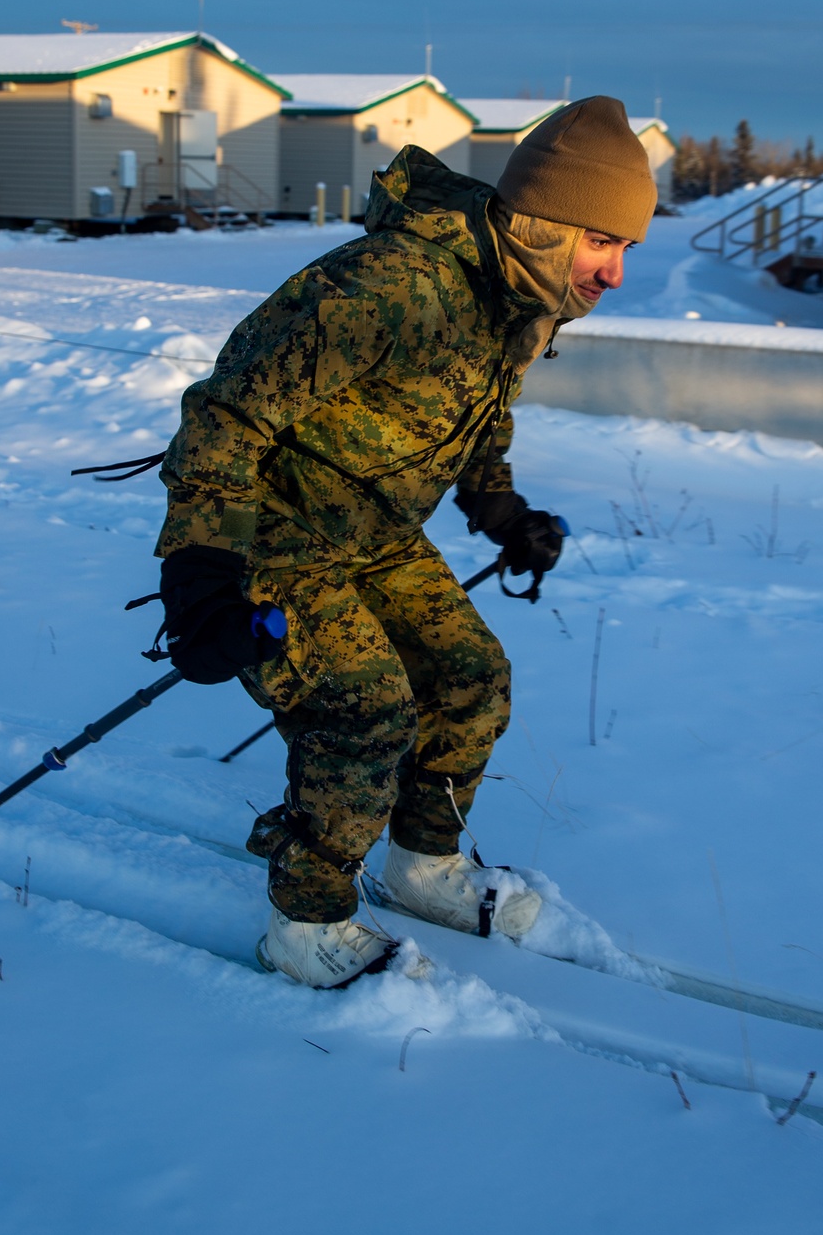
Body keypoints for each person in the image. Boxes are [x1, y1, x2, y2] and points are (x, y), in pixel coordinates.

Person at [154, 96, 656, 988]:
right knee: (367, 709)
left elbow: (478, 416)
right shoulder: (391, 286)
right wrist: (200, 572)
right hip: (274, 534)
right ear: (545, 224)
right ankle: (304, 923)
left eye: (628, 250)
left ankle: (423, 867)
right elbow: (227, 411)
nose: (615, 272)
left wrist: (501, 513)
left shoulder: (519, 299)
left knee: (471, 677)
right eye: (603, 243)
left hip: (376, 534)